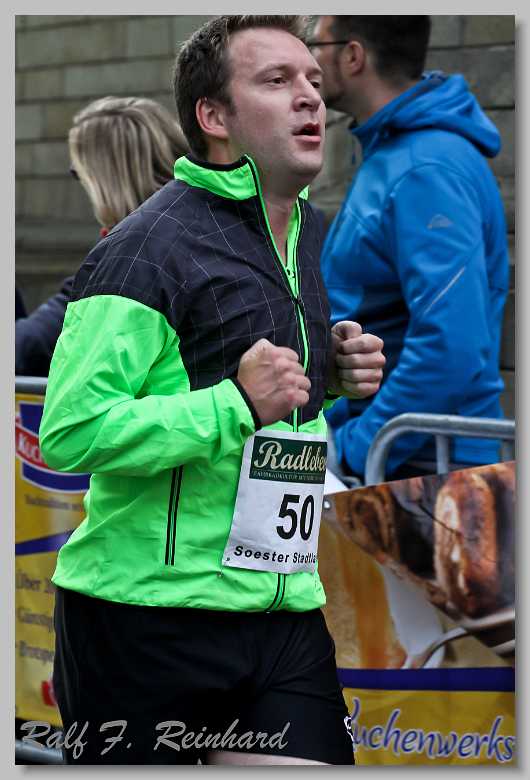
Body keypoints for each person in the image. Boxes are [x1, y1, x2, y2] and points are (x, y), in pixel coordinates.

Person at [39, 15, 385, 766]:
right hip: (143, 618)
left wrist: (326, 380)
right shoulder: (145, 247)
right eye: (277, 81)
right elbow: (70, 429)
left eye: (313, 80)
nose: (310, 97)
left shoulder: (302, 232)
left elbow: (261, 394)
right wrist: (234, 403)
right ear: (214, 117)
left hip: (280, 606)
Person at [310, 15, 510, 481]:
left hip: (421, 468)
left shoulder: (425, 169)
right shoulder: (397, 153)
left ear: (353, 55)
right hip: (406, 457)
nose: (310, 61)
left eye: (317, 45)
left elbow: (451, 343)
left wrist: (360, 449)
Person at [15, 96, 189, 377]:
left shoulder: (133, 251)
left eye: (78, 173)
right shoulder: (210, 226)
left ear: (106, 179)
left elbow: (30, 344)